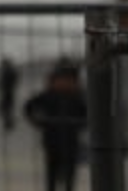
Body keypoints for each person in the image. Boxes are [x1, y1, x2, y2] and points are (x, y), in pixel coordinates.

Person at [22, 61, 87, 191]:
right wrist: (39, 122)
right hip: (54, 141)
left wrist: (79, 124)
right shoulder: (50, 95)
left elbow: (87, 114)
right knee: (54, 173)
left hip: (68, 141)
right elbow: (29, 106)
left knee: (67, 175)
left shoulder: (76, 96)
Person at [0, 56, 20, 133]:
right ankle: (9, 123)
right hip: (7, 92)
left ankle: (9, 124)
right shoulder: (8, 71)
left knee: (5, 108)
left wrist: (4, 85)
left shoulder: (9, 72)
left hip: (8, 92)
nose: (2, 66)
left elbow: (11, 81)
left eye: (3, 64)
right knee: (5, 108)